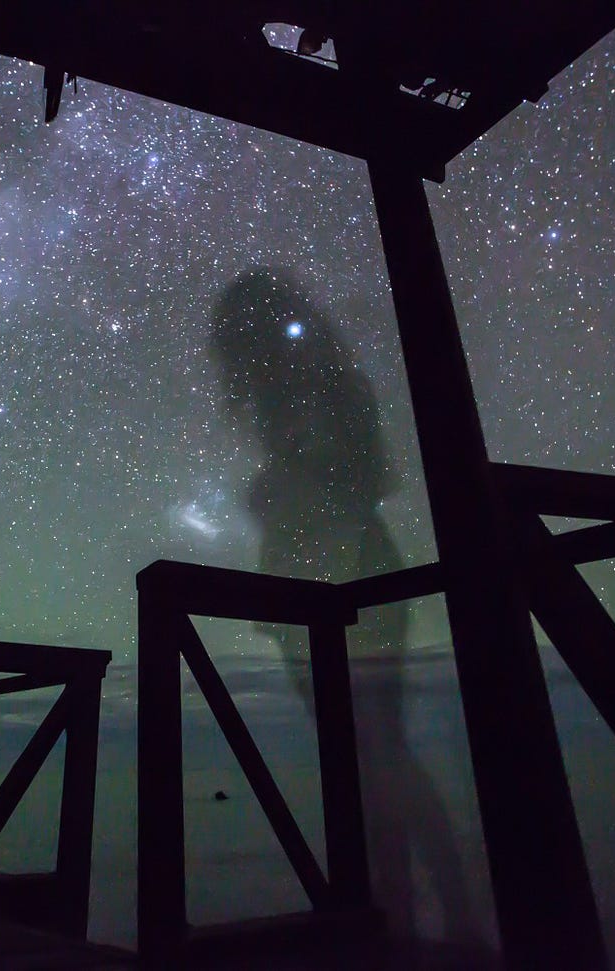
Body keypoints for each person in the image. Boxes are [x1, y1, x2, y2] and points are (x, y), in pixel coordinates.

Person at [210, 267, 482, 947]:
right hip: (316, 583)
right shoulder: (299, 392)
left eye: (238, 342)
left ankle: (428, 916)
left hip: (346, 578)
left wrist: (275, 485)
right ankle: (399, 914)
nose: (233, 361)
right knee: (369, 754)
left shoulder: (314, 386)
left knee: (378, 751)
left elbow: (350, 477)